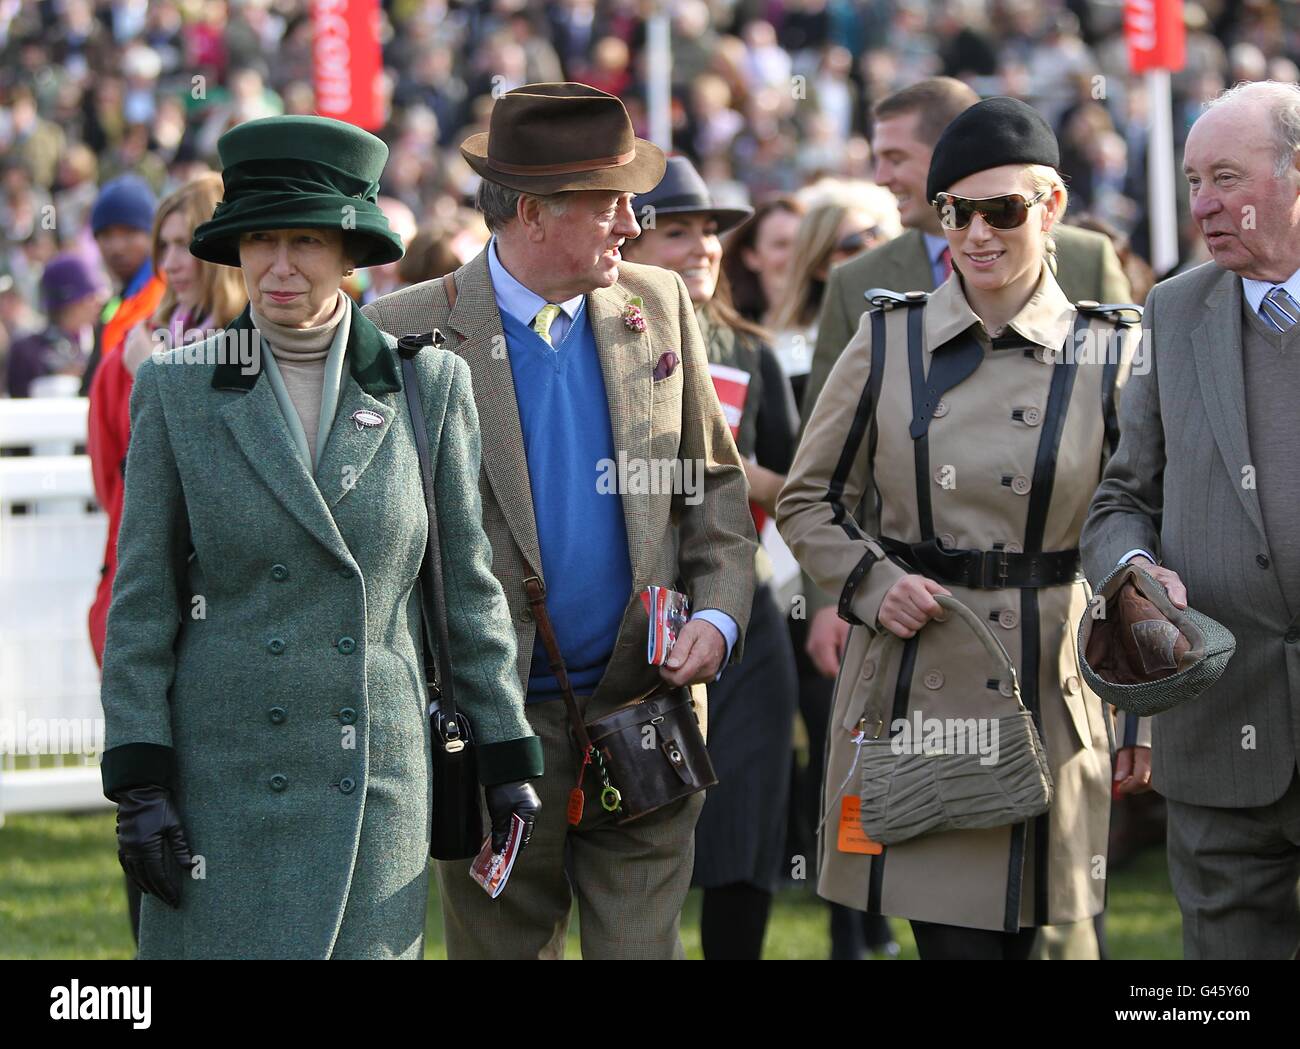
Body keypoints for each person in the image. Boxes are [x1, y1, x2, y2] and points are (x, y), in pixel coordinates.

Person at [98, 115, 542, 960]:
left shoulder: (429, 383)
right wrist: (139, 779)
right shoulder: (178, 391)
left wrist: (505, 754)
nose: (279, 266)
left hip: (375, 781)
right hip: (221, 780)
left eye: (305, 240)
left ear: (349, 252)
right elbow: (143, 601)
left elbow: (469, 589)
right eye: (260, 240)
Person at [364, 84, 757, 960]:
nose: (632, 221)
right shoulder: (401, 331)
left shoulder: (659, 303)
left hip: (645, 712)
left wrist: (720, 618)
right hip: (492, 734)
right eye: (607, 202)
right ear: (534, 214)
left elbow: (716, 494)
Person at [778, 97, 1145, 960]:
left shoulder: (1110, 351)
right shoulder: (887, 339)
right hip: (918, 681)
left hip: (1055, 686)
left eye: (1002, 210)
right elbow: (808, 498)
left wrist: (1142, 720)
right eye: (957, 212)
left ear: (1051, 207)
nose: (977, 233)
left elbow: (1138, 534)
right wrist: (870, 584)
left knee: (1048, 944)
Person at [1081, 80, 1300, 960]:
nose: (1202, 202)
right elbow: (1121, 498)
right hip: (1219, 727)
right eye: (1191, 179)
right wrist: (1133, 573)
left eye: (1225, 176)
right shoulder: (1173, 312)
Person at [624, 156, 800, 960]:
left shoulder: (751, 349)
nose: (701, 246)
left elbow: (801, 485)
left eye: (710, 232)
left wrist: (729, 472)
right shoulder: (595, 340)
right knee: (627, 835)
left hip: (747, 610)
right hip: (633, 618)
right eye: (677, 230)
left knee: (748, 817)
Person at [90, 173, 248, 668]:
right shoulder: (129, 349)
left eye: (186, 244)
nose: (171, 263)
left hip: (237, 579)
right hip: (147, 563)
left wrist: (157, 379)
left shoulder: (256, 346)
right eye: (165, 245)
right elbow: (108, 475)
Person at [767, 179, 901, 408]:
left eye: (875, 234)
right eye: (853, 244)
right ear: (820, 267)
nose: (872, 249)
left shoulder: (918, 317)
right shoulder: (791, 353)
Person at [6, 254, 101, 397]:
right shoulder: (27, 350)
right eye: (89, 297)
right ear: (69, 303)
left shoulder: (100, 339)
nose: (97, 303)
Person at [721, 196, 804, 327]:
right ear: (751, 256)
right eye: (781, 244)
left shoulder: (834, 317)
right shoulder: (731, 334)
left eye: (803, 243)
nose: (795, 256)